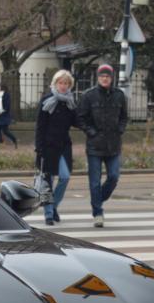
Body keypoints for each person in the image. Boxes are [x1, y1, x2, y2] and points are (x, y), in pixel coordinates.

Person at [77, 63, 128, 228]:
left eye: (107, 76)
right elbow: (81, 118)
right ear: (98, 78)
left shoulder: (119, 96)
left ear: (111, 78)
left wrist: (120, 129)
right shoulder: (89, 96)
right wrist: (91, 132)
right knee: (94, 182)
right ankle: (97, 213)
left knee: (113, 176)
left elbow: (124, 116)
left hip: (113, 144)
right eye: (102, 76)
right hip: (95, 145)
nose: (105, 79)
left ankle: (98, 198)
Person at [34, 69, 79, 226]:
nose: (63, 86)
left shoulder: (70, 102)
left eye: (66, 83)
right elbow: (40, 126)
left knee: (65, 177)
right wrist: (39, 148)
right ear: (55, 83)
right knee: (47, 181)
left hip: (63, 146)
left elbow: (76, 121)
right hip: (47, 146)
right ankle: (48, 214)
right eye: (61, 83)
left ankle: (53, 207)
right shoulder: (47, 100)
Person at [0, 82, 18, 148]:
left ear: (2, 87)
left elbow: (7, 106)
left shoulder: (7, 95)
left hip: (4, 115)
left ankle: (14, 139)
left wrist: (2, 111)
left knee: (5, 131)